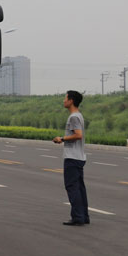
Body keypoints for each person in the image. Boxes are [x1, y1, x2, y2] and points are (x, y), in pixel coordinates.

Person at [53, 90, 89, 226]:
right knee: (80, 188)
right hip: (78, 156)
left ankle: (78, 217)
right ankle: (84, 216)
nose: (64, 100)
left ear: (71, 100)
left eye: (65, 98)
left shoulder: (74, 117)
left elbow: (78, 135)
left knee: (72, 187)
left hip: (72, 157)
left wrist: (61, 139)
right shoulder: (78, 115)